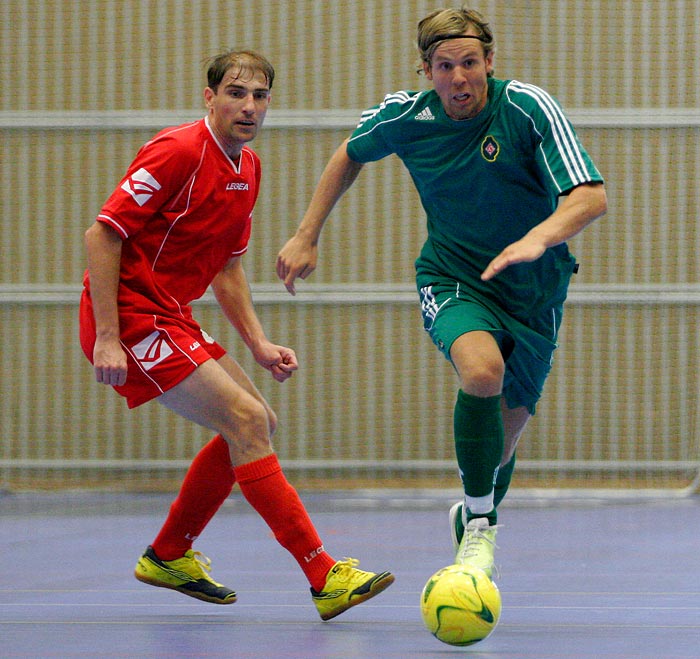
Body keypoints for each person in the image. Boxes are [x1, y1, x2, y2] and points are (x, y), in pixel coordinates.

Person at [276, 7, 607, 579]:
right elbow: (350, 153)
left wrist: (537, 239)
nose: (460, 78)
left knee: (499, 446)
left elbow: (589, 197)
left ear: (490, 61)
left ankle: (474, 509)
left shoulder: (527, 108)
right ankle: (480, 529)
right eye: (445, 66)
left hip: (534, 290)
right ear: (426, 69)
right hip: (453, 277)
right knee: (481, 372)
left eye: (471, 63)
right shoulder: (407, 116)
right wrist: (306, 235)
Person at [79, 49, 393, 621]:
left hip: (170, 314)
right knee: (245, 422)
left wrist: (259, 344)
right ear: (210, 98)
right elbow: (103, 236)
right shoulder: (176, 152)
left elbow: (227, 267)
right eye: (236, 93)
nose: (249, 106)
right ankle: (324, 575)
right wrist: (107, 336)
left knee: (257, 422)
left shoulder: (247, 169)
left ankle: (168, 554)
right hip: (131, 317)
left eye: (260, 96)